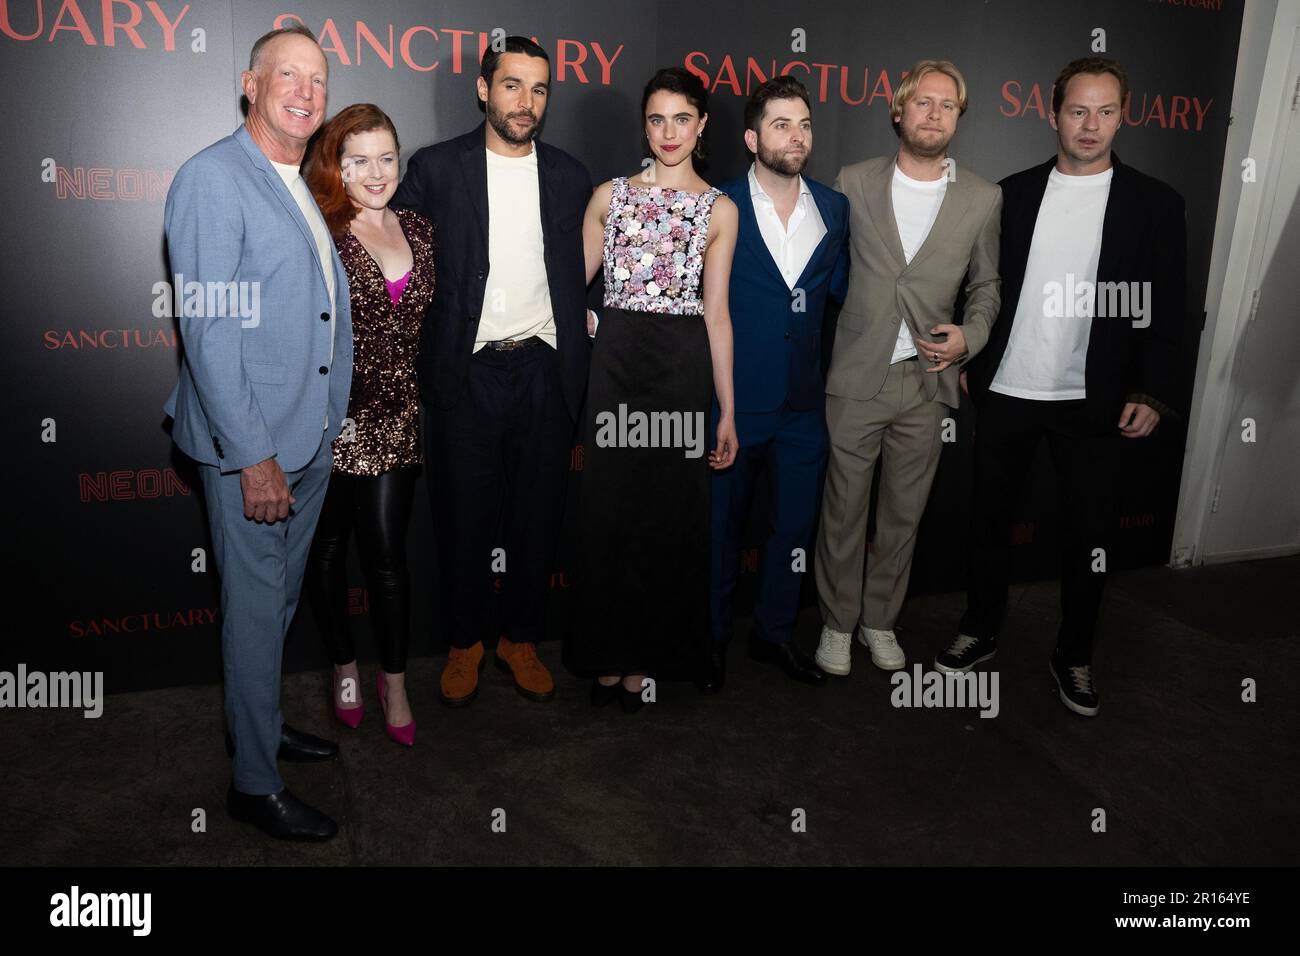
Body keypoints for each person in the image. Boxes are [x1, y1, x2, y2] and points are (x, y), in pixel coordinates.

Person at [946, 57, 1187, 717]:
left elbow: (1168, 309)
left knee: (1089, 537)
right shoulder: (1012, 194)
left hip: (1096, 400)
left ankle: (1074, 654)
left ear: (1122, 114)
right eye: (1078, 110)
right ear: (1053, 111)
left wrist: (1152, 391)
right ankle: (980, 627)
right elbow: (980, 285)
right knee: (988, 522)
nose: (1091, 124)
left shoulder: (1156, 204)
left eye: (1106, 111)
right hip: (1009, 390)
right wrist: (974, 353)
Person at [163, 23, 353, 840]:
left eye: (317, 79)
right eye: (288, 75)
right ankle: (252, 783)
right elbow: (208, 333)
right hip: (256, 447)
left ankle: (259, 725)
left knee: (272, 607)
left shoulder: (297, 178)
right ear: (250, 84)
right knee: (252, 609)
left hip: (306, 437)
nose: (306, 92)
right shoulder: (213, 178)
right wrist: (254, 457)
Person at [391, 37, 593, 707]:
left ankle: (522, 638)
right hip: (467, 372)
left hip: (544, 368)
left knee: (537, 515)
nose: (525, 102)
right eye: (512, 85)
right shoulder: (437, 169)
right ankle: (465, 640)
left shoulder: (569, 175)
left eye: (538, 89)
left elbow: (590, 270)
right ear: (484, 90)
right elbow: (397, 263)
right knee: (463, 516)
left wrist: (586, 323)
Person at [813, 60, 1001, 677]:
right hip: (856, 378)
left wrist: (969, 337)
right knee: (842, 512)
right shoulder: (854, 180)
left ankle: (879, 621)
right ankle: (837, 626)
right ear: (899, 110)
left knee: (902, 517)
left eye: (947, 104)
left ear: (958, 117)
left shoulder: (982, 196)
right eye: (923, 102)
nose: (934, 113)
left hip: (926, 383)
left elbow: (987, 286)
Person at [567, 67, 739, 712]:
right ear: (645, 125)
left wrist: (727, 409)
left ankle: (648, 657)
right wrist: (580, 321)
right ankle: (606, 655)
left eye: (682, 119)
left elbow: (717, 313)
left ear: (702, 126)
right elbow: (568, 286)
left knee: (668, 517)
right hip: (615, 369)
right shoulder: (608, 197)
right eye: (656, 119)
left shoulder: (719, 209)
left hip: (681, 372)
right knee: (608, 513)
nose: (668, 133)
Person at [704, 75, 849, 692]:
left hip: (803, 406)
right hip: (735, 402)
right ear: (751, 136)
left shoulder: (834, 208)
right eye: (782, 124)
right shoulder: (720, 205)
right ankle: (709, 643)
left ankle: (773, 633)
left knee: (793, 530)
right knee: (720, 531)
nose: (796, 136)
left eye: (805, 124)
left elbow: (837, 298)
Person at [302, 104, 435, 747]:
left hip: (398, 420)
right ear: (336, 165)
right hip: (332, 423)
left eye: (387, 156)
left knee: (386, 558)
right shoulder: (320, 230)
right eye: (358, 159)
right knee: (325, 551)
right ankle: (345, 667)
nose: (376, 172)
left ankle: (396, 681)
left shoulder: (419, 229)